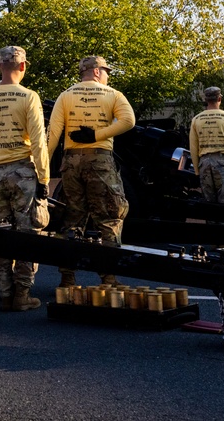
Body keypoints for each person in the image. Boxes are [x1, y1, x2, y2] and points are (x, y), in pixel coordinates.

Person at [0, 45, 50, 312]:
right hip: (23, 175)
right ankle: (23, 295)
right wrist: (43, 178)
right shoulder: (29, 97)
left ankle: (5, 295)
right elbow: (39, 142)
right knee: (29, 236)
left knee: (1, 237)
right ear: (23, 66)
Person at [47, 56, 135, 287]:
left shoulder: (66, 95)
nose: (108, 75)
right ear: (96, 72)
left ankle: (67, 279)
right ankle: (109, 278)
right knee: (109, 218)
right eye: (106, 70)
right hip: (100, 160)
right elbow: (129, 120)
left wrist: (44, 167)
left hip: (71, 161)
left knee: (72, 218)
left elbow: (53, 133)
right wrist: (97, 135)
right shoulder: (112, 94)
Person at [189, 86, 224, 205]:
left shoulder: (196, 119)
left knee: (209, 205)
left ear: (206, 100)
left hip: (204, 163)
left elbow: (193, 148)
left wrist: (196, 171)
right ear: (220, 98)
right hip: (222, 162)